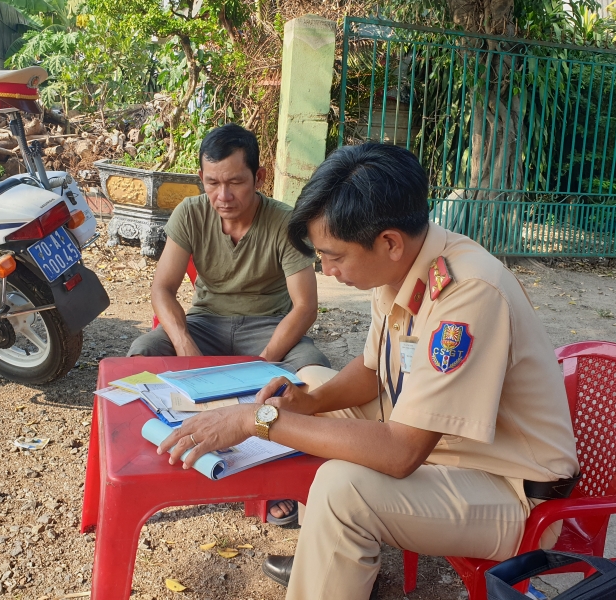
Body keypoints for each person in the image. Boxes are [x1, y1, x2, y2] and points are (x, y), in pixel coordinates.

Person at [154, 142, 580, 600]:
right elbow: (374, 369)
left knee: (344, 491)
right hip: (449, 448)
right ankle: (334, 557)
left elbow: (401, 453)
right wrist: (309, 402)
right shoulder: (401, 265)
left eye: (335, 256)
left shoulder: (467, 294)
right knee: (312, 380)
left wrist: (258, 420)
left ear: (389, 242)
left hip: (513, 493)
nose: (327, 270)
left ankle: (333, 553)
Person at [128, 123, 329, 525]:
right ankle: (150, 464)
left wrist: (266, 360)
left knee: (312, 376)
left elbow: (305, 307)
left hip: (270, 326)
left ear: (259, 177)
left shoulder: (283, 222)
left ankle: (280, 480)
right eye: (212, 183)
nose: (223, 196)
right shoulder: (190, 212)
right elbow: (162, 289)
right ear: (201, 178)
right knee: (142, 356)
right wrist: (184, 343)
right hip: (206, 322)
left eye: (236, 182)